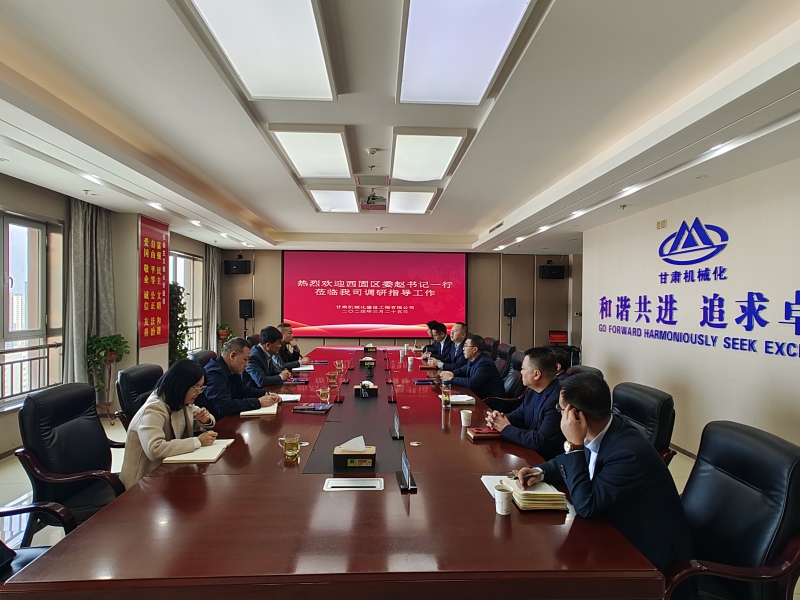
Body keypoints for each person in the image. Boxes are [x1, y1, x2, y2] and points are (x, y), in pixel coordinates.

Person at [515, 373, 693, 575]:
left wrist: (574, 445)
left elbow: (586, 506)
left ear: (576, 416)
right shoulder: (606, 426)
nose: (559, 415)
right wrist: (541, 471)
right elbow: (578, 459)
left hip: (646, 557)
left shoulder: (628, 454)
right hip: (611, 525)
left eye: (560, 409)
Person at [120, 359, 217, 489]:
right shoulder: (153, 409)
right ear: (180, 385)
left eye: (201, 387)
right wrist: (197, 441)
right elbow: (155, 449)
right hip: (144, 481)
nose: (198, 392)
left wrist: (204, 419)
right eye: (195, 387)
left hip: (169, 470)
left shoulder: (181, 400)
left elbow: (199, 417)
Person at [485, 347, 564, 460]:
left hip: (545, 460)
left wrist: (505, 428)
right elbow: (520, 414)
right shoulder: (532, 390)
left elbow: (541, 440)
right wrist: (498, 419)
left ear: (536, 374)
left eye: (523, 369)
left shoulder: (558, 399)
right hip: (528, 451)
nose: (520, 372)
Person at [197, 337, 280, 419]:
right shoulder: (214, 373)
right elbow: (223, 406)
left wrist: (265, 393)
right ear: (233, 356)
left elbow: (242, 389)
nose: (247, 364)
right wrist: (258, 402)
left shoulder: (232, 368)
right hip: (217, 422)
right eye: (245, 359)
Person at [440, 334, 505, 399]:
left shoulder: (485, 363)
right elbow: (462, 370)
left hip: (489, 400)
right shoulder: (473, 359)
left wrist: (451, 379)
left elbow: (471, 383)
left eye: (465, 346)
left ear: (474, 349)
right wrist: (451, 373)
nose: (463, 349)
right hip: (477, 395)